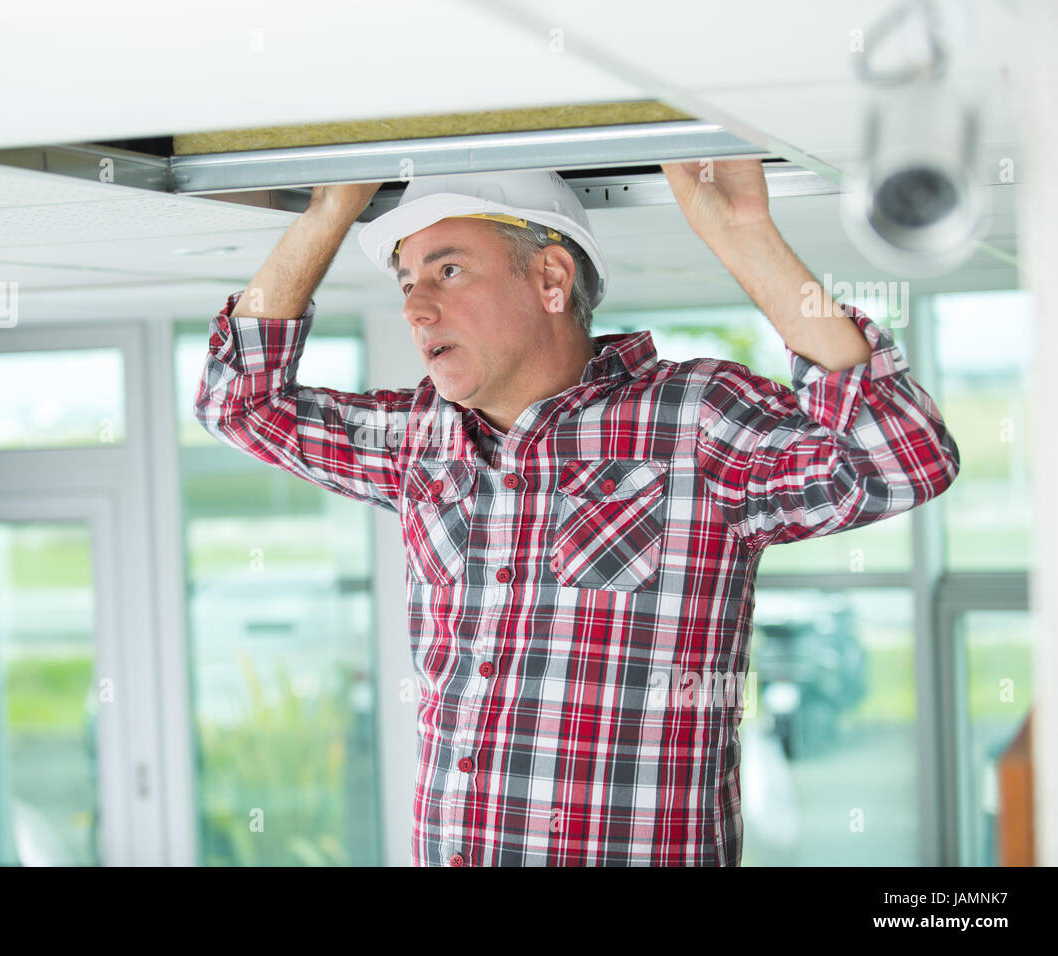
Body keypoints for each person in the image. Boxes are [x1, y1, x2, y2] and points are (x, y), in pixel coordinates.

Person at [194, 161, 960, 866]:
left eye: (448, 270)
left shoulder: (692, 421)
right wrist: (329, 211)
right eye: (405, 283)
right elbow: (237, 400)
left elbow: (901, 459)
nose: (416, 309)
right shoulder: (416, 441)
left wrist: (746, 237)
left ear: (553, 278)